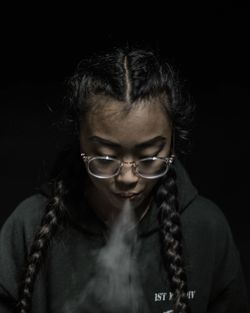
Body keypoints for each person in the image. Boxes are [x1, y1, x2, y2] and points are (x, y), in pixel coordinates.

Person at [0, 47, 249, 313]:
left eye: (149, 157)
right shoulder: (28, 226)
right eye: (106, 158)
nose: (128, 178)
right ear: (81, 141)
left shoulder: (205, 228)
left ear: (173, 144)